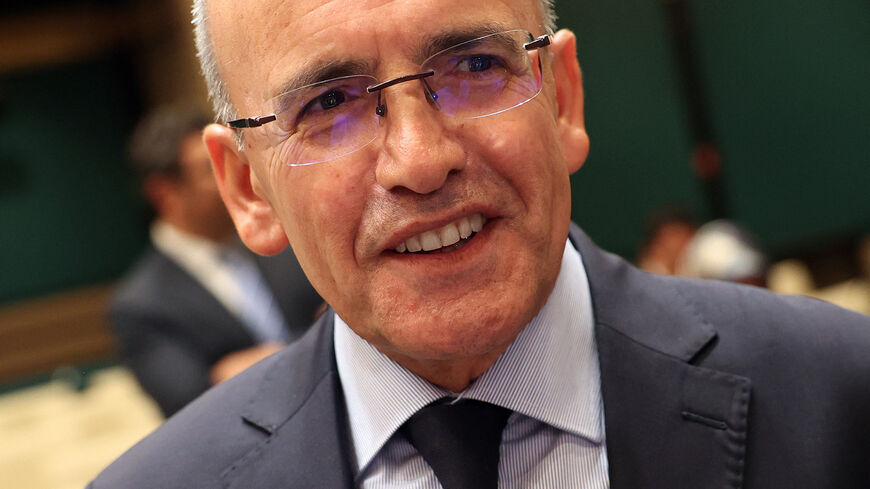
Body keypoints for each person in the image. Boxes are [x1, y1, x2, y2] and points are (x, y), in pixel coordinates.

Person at [90, 0, 870, 487]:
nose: (422, 160)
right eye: (330, 103)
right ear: (247, 191)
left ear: (562, 98)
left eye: (472, 66)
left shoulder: (842, 397)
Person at [109, 105, 322, 417]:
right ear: (163, 193)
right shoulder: (140, 305)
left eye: (233, 159)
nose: (238, 176)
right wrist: (316, 343)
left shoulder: (286, 241)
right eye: (212, 169)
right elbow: (192, 404)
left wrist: (260, 361)